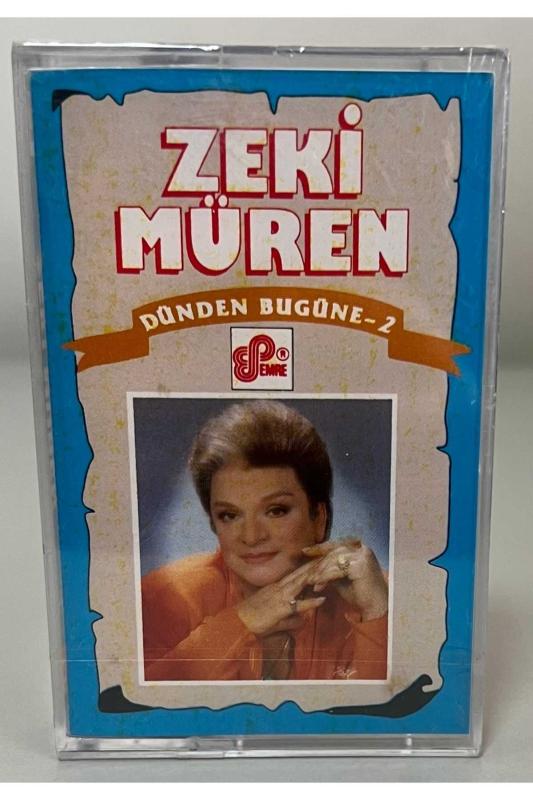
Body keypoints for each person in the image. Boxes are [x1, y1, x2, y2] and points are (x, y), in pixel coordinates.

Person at [141, 400, 388, 681]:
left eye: (276, 511)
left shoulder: (374, 594)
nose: (251, 536)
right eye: (229, 515)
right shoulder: (163, 598)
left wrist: (377, 614)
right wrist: (241, 623)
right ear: (214, 523)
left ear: (318, 518)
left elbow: (384, 706)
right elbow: (131, 704)